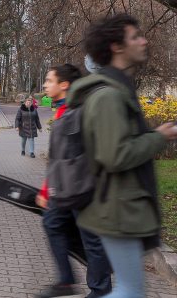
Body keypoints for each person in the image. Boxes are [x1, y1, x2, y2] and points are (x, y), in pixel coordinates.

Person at [69, 15, 177, 298]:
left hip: (122, 207)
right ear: (117, 46)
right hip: (118, 209)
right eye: (135, 37)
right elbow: (114, 155)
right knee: (130, 291)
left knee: (130, 289)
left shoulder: (118, 90)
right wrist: (159, 137)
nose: (144, 41)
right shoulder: (108, 96)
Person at [35, 63, 112, 298]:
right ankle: (66, 279)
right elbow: (58, 156)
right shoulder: (61, 109)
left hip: (83, 188)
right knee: (52, 224)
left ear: (64, 84)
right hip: (64, 188)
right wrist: (47, 190)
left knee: (91, 239)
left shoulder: (80, 110)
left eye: (49, 81)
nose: (45, 85)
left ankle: (100, 289)